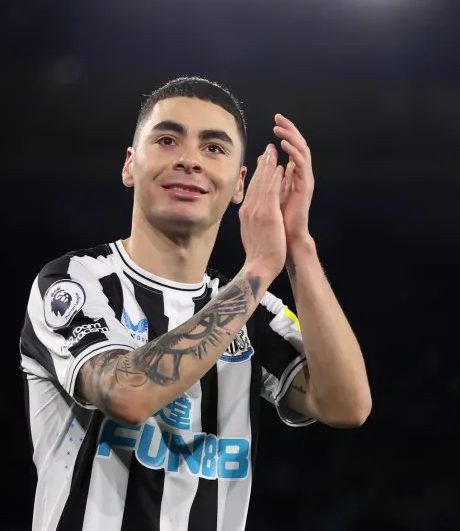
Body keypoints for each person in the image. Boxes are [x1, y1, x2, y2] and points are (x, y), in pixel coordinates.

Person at [19, 76, 371, 531]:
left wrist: (298, 244)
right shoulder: (75, 281)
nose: (189, 160)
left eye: (214, 148)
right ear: (130, 165)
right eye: (167, 140)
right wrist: (261, 265)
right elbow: (127, 394)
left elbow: (347, 406)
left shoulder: (255, 312)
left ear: (241, 184)